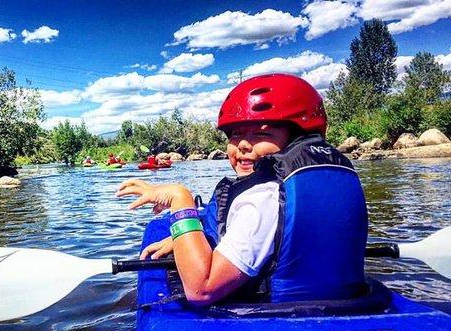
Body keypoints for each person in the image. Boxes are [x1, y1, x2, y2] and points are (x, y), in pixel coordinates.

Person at [116, 73, 368, 306]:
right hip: (335, 303)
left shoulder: (261, 199)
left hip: (275, 316)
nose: (243, 145)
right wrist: (194, 238)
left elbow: (202, 289)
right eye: (235, 135)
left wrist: (180, 200)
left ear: (296, 139)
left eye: (261, 134)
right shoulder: (310, 182)